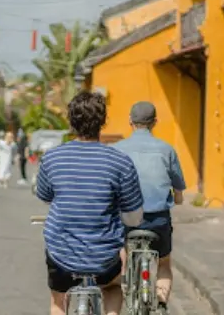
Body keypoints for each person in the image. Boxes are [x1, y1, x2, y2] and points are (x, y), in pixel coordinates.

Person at [35, 91, 144, 315]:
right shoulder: (120, 161)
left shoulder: (52, 158)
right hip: (104, 257)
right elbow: (133, 216)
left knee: (58, 302)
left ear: (71, 122)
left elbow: (45, 196)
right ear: (102, 122)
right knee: (113, 287)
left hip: (61, 254)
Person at [112, 101, 186, 313]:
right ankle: (161, 300)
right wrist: (177, 199)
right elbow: (178, 188)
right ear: (155, 122)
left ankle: (126, 280)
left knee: (122, 246)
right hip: (158, 219)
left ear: (130, 121)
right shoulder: (166, 149)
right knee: (163, 264)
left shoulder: (117, 150)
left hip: (127, 218)